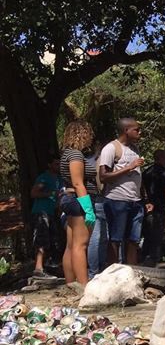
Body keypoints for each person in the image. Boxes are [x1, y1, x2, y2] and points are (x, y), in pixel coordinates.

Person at [98, 118, 145, 266]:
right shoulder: (111, 148)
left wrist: (145, 198)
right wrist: (128, 167)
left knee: (133, 239)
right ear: (126, 130)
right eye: (136, 130)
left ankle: (132, 272)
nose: (139, 133)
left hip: (136, 201)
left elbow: (138, 174)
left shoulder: (135, 149)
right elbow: (103, 176)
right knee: (116, 239)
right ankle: (112, 272)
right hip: (117, 200)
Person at [59, 120, 98, 286]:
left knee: (71, 245)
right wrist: (88, 208)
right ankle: (83, 285)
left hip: (72, 199)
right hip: (78, 200)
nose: (90, 137)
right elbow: (78, 183)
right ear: (81, 134)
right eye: (88, 133)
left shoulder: (68, 153)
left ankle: (71, 284)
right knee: (80, 245)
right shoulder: (75, 155)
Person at [30, 156, 63, 278]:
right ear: (50, 165)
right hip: (41, 211)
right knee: (41, 238)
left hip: (52, 212)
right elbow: (33, 193)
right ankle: (38, 268)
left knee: (53, 239)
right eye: (56, 164)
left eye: (59, 164)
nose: (58, 166)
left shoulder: (60, 179)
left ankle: (51, 265)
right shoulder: (44, 177)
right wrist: (49, 193)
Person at [141, 149, 165, 266]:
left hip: (146, 208)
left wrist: (145, 201)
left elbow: (141, 189)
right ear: (160, 158)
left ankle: (144, 260)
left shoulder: (146, 172)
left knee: (147, 237)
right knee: (156, 238)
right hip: (159, 209)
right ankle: (153, 263)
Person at [85, 147, 108, 280]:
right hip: (97, 198)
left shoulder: (87, 160)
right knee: (97, 237)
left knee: (101, 237)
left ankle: (97, 270)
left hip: (96, 198)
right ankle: (94, 272)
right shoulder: (98, 161)